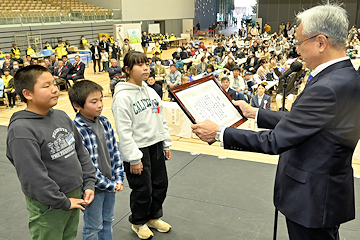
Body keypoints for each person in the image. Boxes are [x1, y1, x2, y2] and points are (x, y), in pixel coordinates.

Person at [192, 3, 360, 240]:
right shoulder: (342, 75)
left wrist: (220, 133)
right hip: (324, 192)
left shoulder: (328, 87)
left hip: (312, 197)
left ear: (321, 42)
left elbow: (276, 140)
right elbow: (303, 120)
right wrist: (254, 113)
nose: (298, 51)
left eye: (300, 43)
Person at [7, 65, 96, 240]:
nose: (55, 89)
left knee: (68, 236)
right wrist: (61, 201)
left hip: (75, 196)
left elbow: (80, 151)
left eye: (54, 83)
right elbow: (33, 177)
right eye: (46, 86)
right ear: (28, 94)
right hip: (49, 205)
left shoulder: (61, 116)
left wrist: (89, 183)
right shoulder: (21, 130)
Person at [111, 51, 172, 240]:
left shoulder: (151, 91)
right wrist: (133, 158)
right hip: (138, 150)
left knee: (160, 184)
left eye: (147, 63)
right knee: (142, 189)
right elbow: (124, 131)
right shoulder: (122, 97)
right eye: (140, 65)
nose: (146, 67)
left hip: (156, 145)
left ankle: (153, 217)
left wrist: (166, 143)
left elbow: (160, 117)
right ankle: (138, 222)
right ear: (128, 70)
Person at [69, 80, 124, 240]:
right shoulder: (76, 129)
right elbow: (87, 166)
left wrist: (118, 178)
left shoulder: (105, 122)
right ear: (77, 105)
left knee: (108, 221)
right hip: (92, 189)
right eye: (94, 102)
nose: (100, 104)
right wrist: (110, 184)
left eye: (101, 99)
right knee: (93, 226)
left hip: (109, 185)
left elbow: (115, 153)